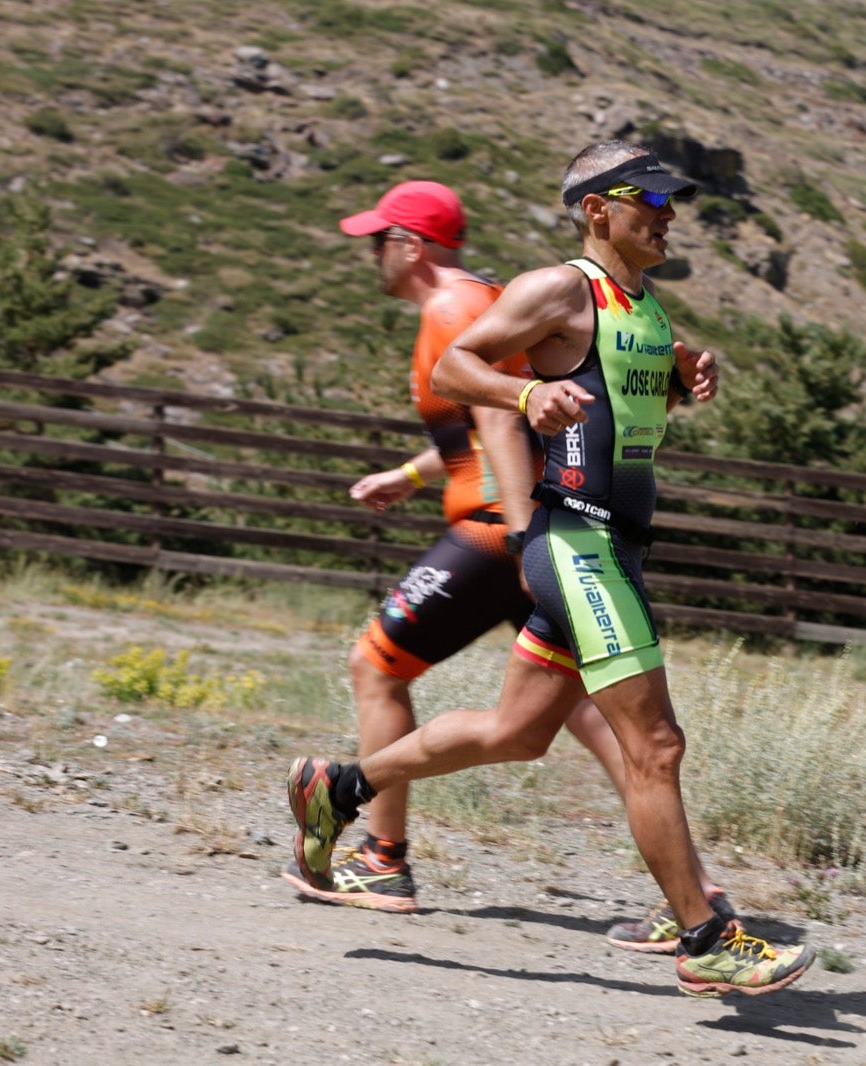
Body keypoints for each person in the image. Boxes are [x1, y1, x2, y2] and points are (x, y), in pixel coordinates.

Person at [287, 143, 814, 997]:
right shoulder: (558, 287)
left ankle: (339, 789)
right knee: (656, 745)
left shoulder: (639, 305)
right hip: (578, 545)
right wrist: (524, 396)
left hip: (616, 548)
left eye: (674, 201)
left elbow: (616, 392)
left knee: (518, 732)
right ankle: (706, 937)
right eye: (651, 199)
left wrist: (685, 371)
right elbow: (461, 364)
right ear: (597, 208)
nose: (669, 213)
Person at [281, 179, 626, 914]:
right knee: (587, 711)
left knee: (375, 666)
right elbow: (490, 418)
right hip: (527, 523)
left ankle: (383, 860)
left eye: (378, 240)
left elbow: (505, 426)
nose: (372, 254)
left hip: (496, 531)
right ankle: (693, 887)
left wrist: (522, 534)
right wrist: (408, 475)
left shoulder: (450, 309)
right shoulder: (475, 300)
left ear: (410, 244)